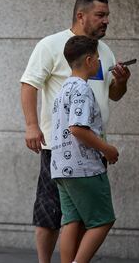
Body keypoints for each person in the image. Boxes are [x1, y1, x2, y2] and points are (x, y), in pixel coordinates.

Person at [20, 0, 131, 263]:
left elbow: (112, 94)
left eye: (107, 15)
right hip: (62, 148)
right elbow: (28, 84)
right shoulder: (50, 45)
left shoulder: (103, 51)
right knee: (51, 214)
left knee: (74, 217)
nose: (106, 21)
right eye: (100, 15)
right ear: (81, 15)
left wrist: (121, 82)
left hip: (91, 149)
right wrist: (32, 126)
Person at [51, 35, 118, 263]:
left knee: (71, 220)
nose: (100, 62)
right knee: (103, 220)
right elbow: (78, 128)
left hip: (61, 167)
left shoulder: (63, 90)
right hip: (84, 167)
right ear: (89, 60)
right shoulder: (82, 89)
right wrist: (107, 149)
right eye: (98, 58)